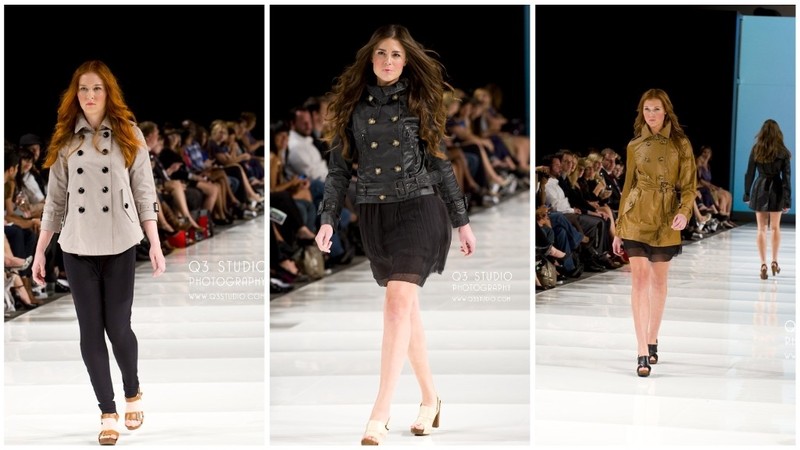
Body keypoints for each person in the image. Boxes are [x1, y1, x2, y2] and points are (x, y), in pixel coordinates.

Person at [314, 24, 476, 445]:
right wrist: (328, 218)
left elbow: (439, 162)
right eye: (382, 53)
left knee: (397, 303)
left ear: (406, 62)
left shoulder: (420, 101)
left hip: (419, 207)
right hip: (375, 213)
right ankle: (430, 398)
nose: (388, 61)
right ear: (371, 58)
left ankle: (380, 411)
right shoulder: (350, 106)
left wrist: (461, 220)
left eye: (397, 55)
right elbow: (338, 171)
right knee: (406, 311)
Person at [29, 60, 166, 445]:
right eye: (83, 89)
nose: (89, 96)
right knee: (90, 330)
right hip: (77, 245)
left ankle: (132, 390)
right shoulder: (65, 139)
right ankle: (107, 411)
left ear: (109, 93)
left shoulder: (129, 134)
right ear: (75, 94)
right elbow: (54, 201)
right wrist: (40, 251)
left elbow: (144, 192)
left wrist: (155, 242)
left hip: (120, 242)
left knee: (117, 327)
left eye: (97, 89)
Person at [611, 88, 696, 378]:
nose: (651, 114)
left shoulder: (680, 144)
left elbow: (689, 185)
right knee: (639, 280)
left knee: (659, 282)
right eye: (646, 109)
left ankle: (652, 337)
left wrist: (684, 211)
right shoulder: (635, 145)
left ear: (666, 111)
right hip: (636, 215)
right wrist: (619, 228)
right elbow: (627, 187)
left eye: (656, 109)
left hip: (666, 217)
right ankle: (641, 351)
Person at [743, 119, 792, 280]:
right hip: (777, 188)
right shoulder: (783, 152)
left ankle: (763, 264)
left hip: (760, 188)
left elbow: (750, 173)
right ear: (778, 133)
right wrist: (787, 199)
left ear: (762, 133)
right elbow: (787, 178)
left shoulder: (756, 149)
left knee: (761, 229)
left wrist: (747, 193)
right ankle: (774, 261)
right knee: (775, 228)